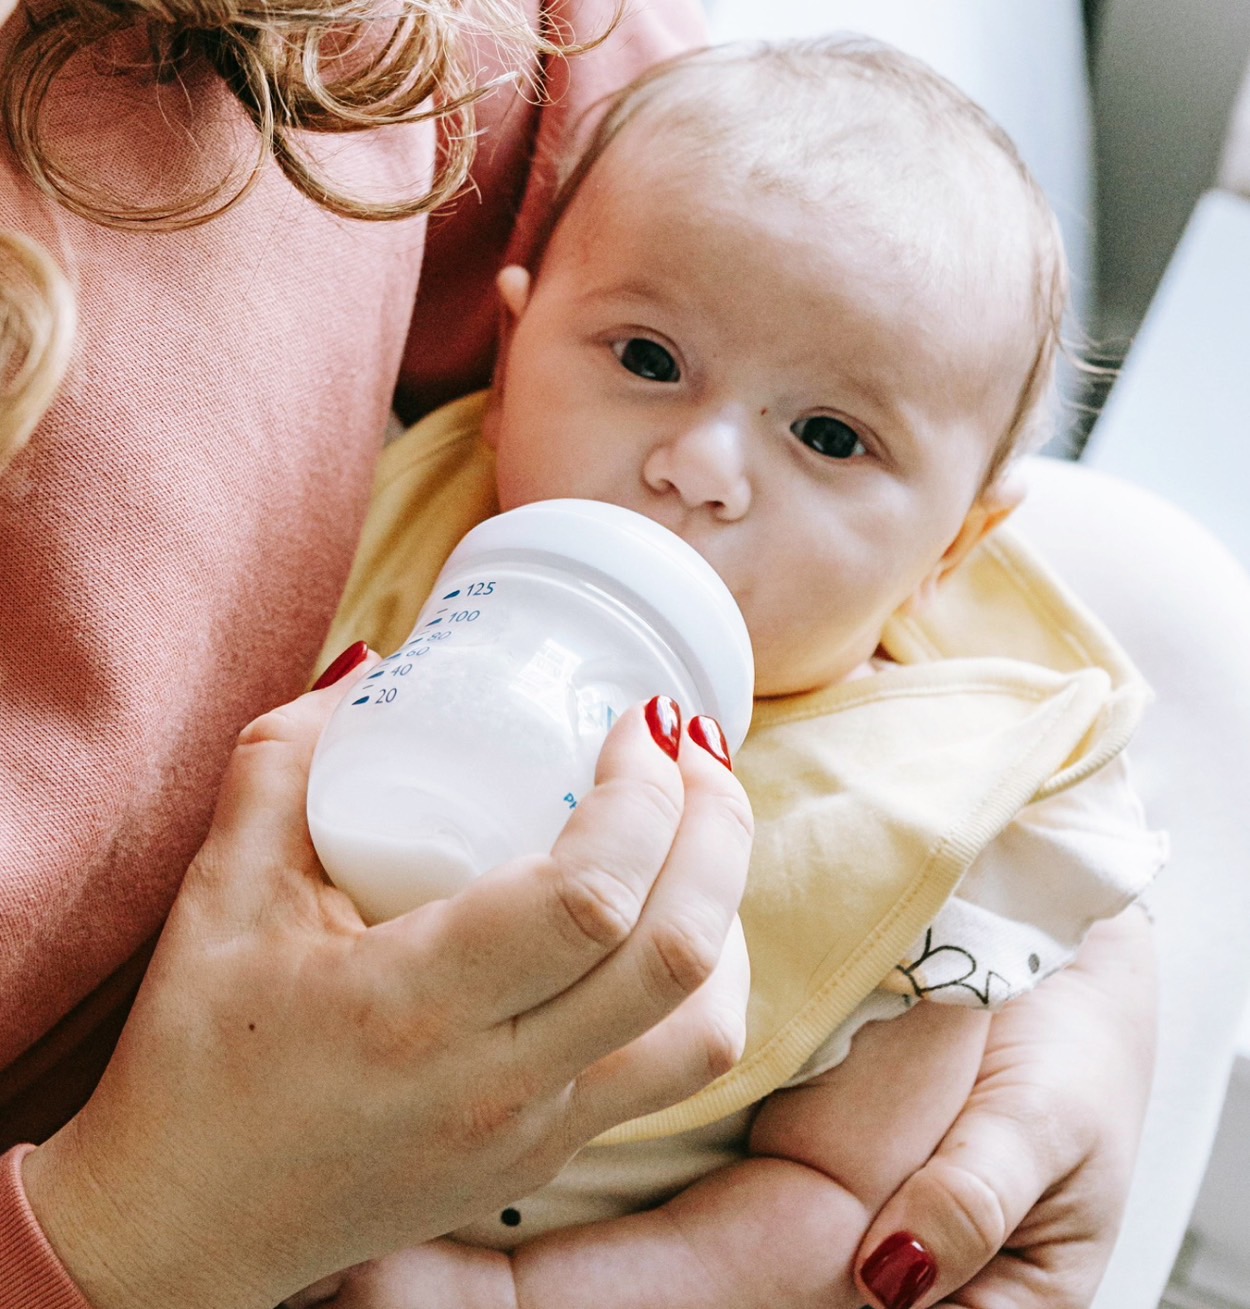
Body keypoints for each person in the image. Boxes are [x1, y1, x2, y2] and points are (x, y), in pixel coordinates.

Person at [0, 1, 1157, 1307]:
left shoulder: (926, 823)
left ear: (954, 548)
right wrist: (133, 1230)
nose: (701, 465)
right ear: (510, 341)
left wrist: (516, 1293)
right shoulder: (406, 529)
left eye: (829, 438)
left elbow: (834, 1201)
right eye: (648, 360)